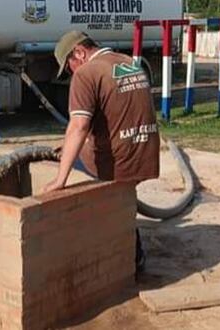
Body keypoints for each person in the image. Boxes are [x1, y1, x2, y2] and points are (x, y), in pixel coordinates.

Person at [43, 31, 160, 272]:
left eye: (69, 67)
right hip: (144, 153)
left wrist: (60, 179)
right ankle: (129, 249)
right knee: (117, 201)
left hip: (117, 160)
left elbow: (79, 125)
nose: (71, 72)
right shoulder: (129, 62)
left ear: (79, 53)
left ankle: (121, 255)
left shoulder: (86, 74)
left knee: (62, 168)